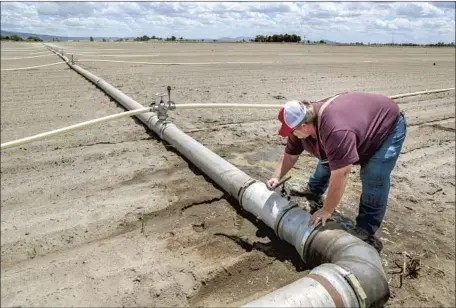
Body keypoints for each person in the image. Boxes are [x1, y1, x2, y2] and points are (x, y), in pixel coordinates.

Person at [266, 92, 407, 252]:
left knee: (373, 175)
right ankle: (314, 190)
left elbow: (341, 173)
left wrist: (326, 210)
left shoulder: (335, 131)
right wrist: (276, 177)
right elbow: (289, 156)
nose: (291, 135)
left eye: (291, 131)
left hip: (386, 126)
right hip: (355, 125)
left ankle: (366, 229)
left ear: (304, 127)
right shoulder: (302, 124)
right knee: (328, 157)